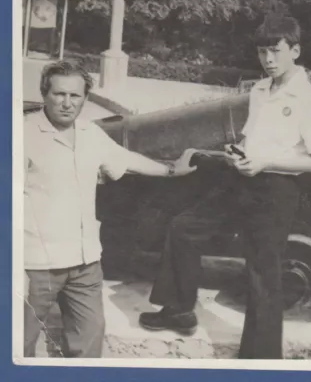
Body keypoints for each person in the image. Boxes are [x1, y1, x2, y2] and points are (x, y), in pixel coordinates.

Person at [139, 14, 311, 359]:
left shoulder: (309, 99)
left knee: (262, 275)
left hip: (275, 190)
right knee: (183, 229)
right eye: (262, 52)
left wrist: (265, 162)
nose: (268, 60)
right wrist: (238, 151)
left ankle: (260, 360)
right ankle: (179, 310)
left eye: (276, 51)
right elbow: (251, 135)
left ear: (295, 51)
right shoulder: (258, 90)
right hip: (240, 179)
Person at [23, 60, 198, 358]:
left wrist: (172, 171)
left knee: (90, 344)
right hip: (35, 265)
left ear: (85, 98)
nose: (67, 103)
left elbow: (127, 159)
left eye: (75, 96)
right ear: (44, 94)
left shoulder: (90, 133)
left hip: (85, 265)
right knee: (16, 344)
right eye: (59, 94)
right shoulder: (22, 134)